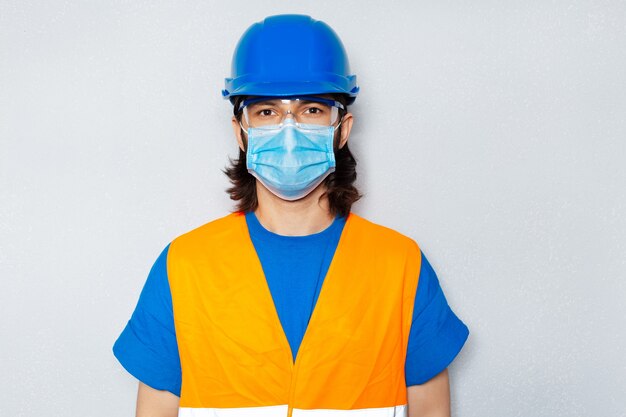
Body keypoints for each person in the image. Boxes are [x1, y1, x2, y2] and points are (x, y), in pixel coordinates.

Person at [113, 14, 469, 417]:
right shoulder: (183, 266)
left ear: (342, 128)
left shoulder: (400, 265)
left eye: (311, 110)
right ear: (240, 130)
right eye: (266, 112)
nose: (288, 129)